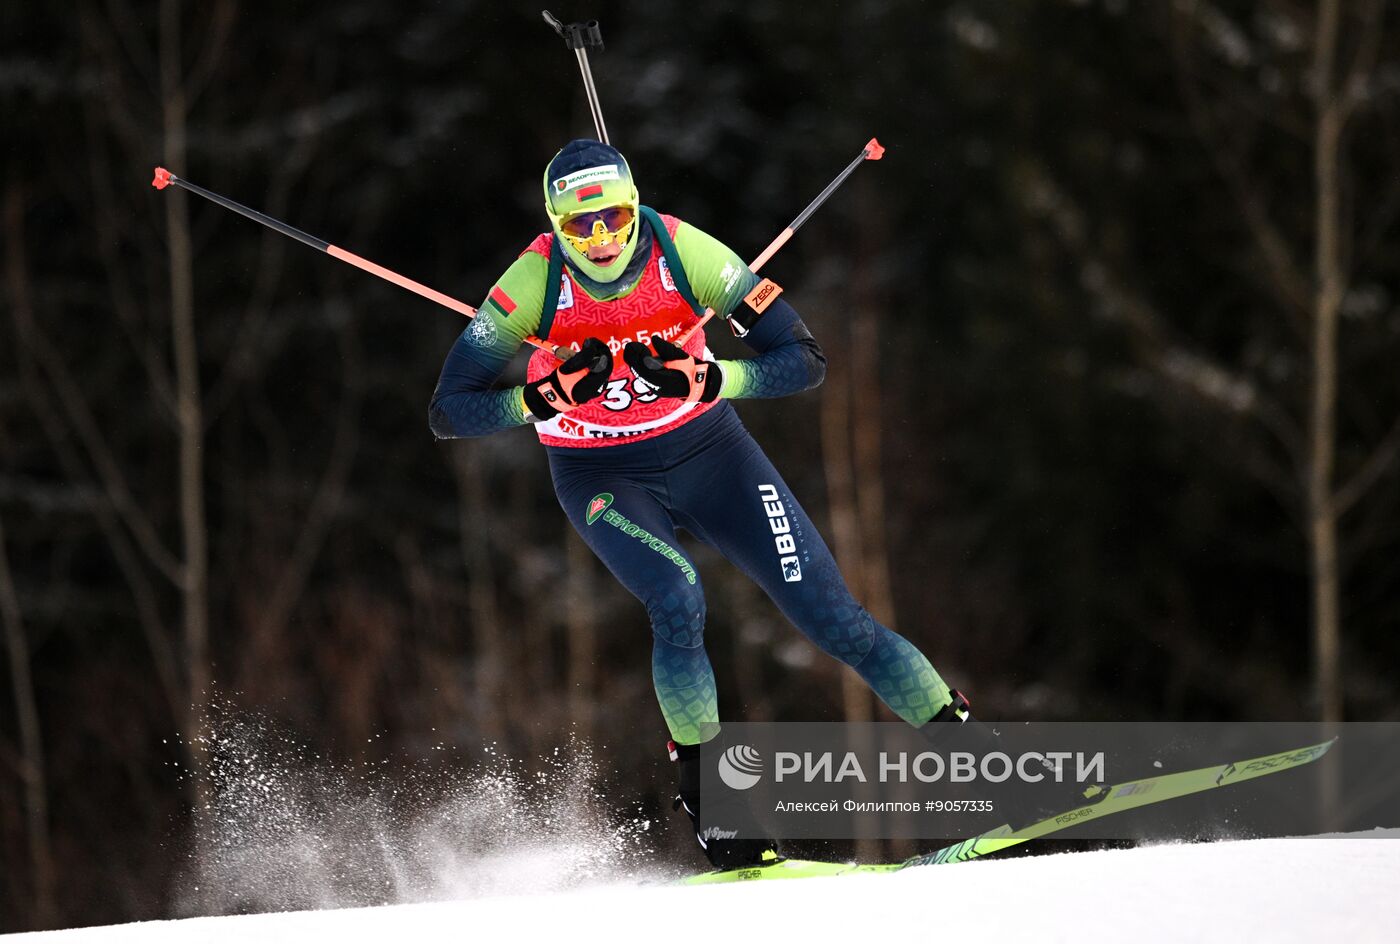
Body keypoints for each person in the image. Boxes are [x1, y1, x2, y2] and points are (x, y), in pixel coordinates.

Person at [429, 139, 1016, 869]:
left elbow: (804, 360)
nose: (604, 240)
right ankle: (719, 811)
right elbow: (451, 410)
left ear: (635, 204)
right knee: (676, 595)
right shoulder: (528, 286)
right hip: (602, 474)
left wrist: (712, 382)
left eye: (614, 218)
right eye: (583, 228)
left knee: (836, 619)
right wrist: (539, 397)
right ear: (555, 225)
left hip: (713, 454)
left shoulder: (690, 255)